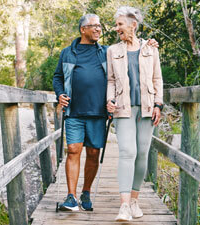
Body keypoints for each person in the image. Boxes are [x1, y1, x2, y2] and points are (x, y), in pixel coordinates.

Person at [53, 13, 158, 212]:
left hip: (99, 112)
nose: (99, 29)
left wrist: (149, 44)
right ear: (82, 29)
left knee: (93, 154)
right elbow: (58, 77)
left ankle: (86, 192)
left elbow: (128, 58)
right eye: (94, 26)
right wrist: (60, 94)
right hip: (74, 111)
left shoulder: (106, 52)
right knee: (73, 150)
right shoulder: (67, 53)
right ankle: (71, 197)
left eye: (100, 26)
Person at [106, 6, 163, 221]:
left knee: (142, 154)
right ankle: (123, 206)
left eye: (120, 24)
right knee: (127, 152)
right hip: (123, 108)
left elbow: (157, 79)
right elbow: (111, 80)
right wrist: (109, 100)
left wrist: (159, 104)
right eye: (117, 24)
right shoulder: (113, 50)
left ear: (133, 25)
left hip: (148, 108)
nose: (117, 28)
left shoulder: (151, 49)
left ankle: (135, 201)